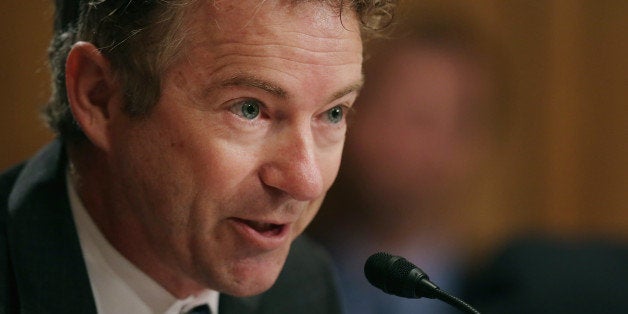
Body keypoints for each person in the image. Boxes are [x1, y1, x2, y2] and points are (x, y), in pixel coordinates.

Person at [0, 1, 396, 313]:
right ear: (100, 96)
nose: (306, 181)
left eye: (333, 113)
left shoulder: (302, 285)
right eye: (249, 109)